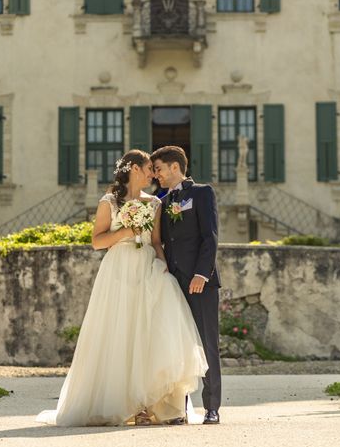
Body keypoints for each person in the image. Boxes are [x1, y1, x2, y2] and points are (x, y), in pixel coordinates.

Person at [36, 149, 207, 426]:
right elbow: (97, 241)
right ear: (134, 170)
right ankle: (126, 405)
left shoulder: (155, 203)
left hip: (147, 267)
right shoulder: (110, 202)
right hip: (119, 268)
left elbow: (155, 241)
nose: (154, 173)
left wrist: (163, 267)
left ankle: (150, 404)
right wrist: (126, 231)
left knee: (150, 332)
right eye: (150, 168)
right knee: (121, 332)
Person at [151, 145, 222, 425]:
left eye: (158, 169)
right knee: (177, 345)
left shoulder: (202, 193)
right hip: (174, 283)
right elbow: (164, 242)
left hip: (200, 282)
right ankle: (179, 409)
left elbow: (210, 236)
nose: (156, 175)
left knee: (206, 344)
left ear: (175, 168)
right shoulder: (164, 201)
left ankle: (212, 407)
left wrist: (201, 274)